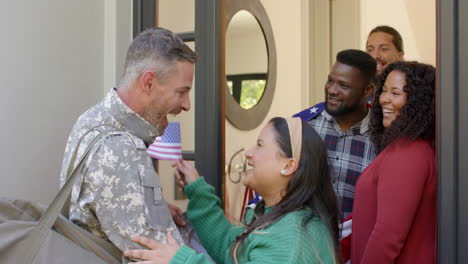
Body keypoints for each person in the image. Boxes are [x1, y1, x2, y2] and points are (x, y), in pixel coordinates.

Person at [124, 117, 341, 264]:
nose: (249, 153)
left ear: (288, 165)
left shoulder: (291, 240)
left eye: (260, 145)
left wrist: (181, 260)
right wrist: (197, 191)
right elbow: (231, 245)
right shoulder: (279, 219)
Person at [59, 27, 197, 251]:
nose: (186, 105)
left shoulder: (93, 118)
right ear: (149, 83)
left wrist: (155, 208)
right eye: (181, 92)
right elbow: (157, 254)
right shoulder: (120, 149)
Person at [351, 61, 436, 263]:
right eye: (384, 90)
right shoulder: (409, 148)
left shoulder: (407, 154)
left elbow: (388, 236)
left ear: (417, 102)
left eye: (395, 93)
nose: (384, 99)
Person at [294, 49, 377, 218]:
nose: (332, 90)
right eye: (330, 81)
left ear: (367, 90)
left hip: (359, 242)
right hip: (307, 239)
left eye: (344, 85)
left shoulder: (383, 137)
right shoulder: (303, 126)